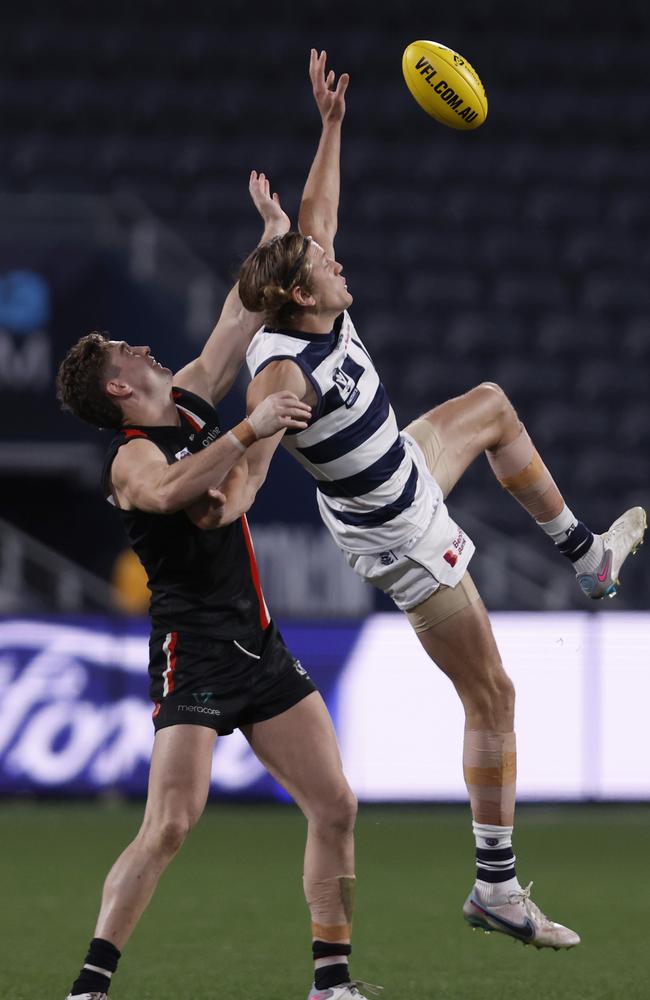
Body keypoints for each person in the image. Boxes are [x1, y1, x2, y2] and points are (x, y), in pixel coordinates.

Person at [238, 50, 647, 950]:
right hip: (403, 534)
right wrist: (232, 469)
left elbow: (317, 216)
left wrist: (332, 127)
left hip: (400, 466)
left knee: (493, 407)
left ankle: (590, 559)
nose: (345, 271)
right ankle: (495, 888)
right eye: (327, 268)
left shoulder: (316, 309)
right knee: (493, 694)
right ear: (300, 294)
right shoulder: (279, 367)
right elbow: (252, 455)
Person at [56, 173, 377, 1000]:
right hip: (193, 652)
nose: (145, 350)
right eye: (130, 354)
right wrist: (249, 428)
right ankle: (91, 985)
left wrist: (274, 234)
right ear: (120, 388)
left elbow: (241, 315)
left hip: (256, 643)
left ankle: (332, 983)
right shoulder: (131, 455)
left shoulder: (191, 399)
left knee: (335, 804)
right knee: (169, 825)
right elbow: (169, 496)